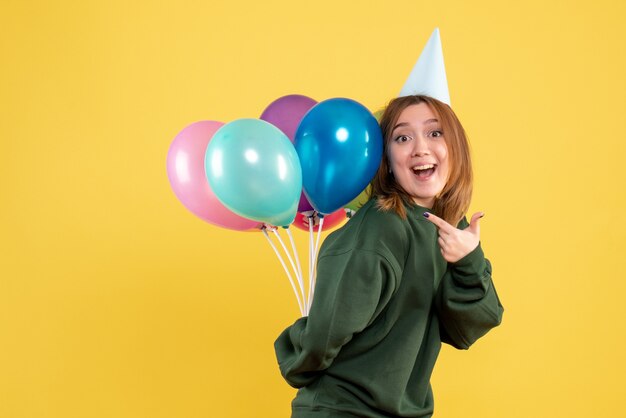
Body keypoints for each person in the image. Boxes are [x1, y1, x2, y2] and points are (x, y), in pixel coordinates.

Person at [275, 95, 504, 418]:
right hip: (344, 411)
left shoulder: (449, 226)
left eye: (435, 133)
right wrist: (294, 350)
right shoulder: (381, 227)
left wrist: (468, 261)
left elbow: (469, 328)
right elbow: (328, 330)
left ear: (456, 146)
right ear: (386, 159)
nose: (421, 148)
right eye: (402, 137)